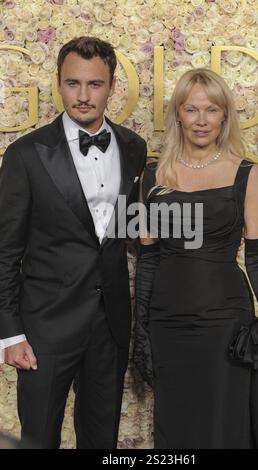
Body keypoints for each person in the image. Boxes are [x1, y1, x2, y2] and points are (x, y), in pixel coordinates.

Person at [0, 36, 147, 449]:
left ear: (112, 86)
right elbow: (5, 250)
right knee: (39, 439)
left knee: (102, 442)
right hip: (44, 328)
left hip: (110, 325)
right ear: (59, 84)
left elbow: (127, 229)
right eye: (73, 84)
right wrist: (10, 334)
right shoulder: (25, 154)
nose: (83, 96)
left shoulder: (134, 147)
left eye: (95, 85)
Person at [133, 68, 258, 449]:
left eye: (211, 110)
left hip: (225, 321)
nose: (201, 120)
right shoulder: (152, 175)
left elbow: (256, 254)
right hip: (167, 322)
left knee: (224, 421)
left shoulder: (246, 173)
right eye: (191, 109)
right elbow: (148, 259)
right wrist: (141, 327)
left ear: (224, 116)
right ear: (178, 115)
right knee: (175, 424)